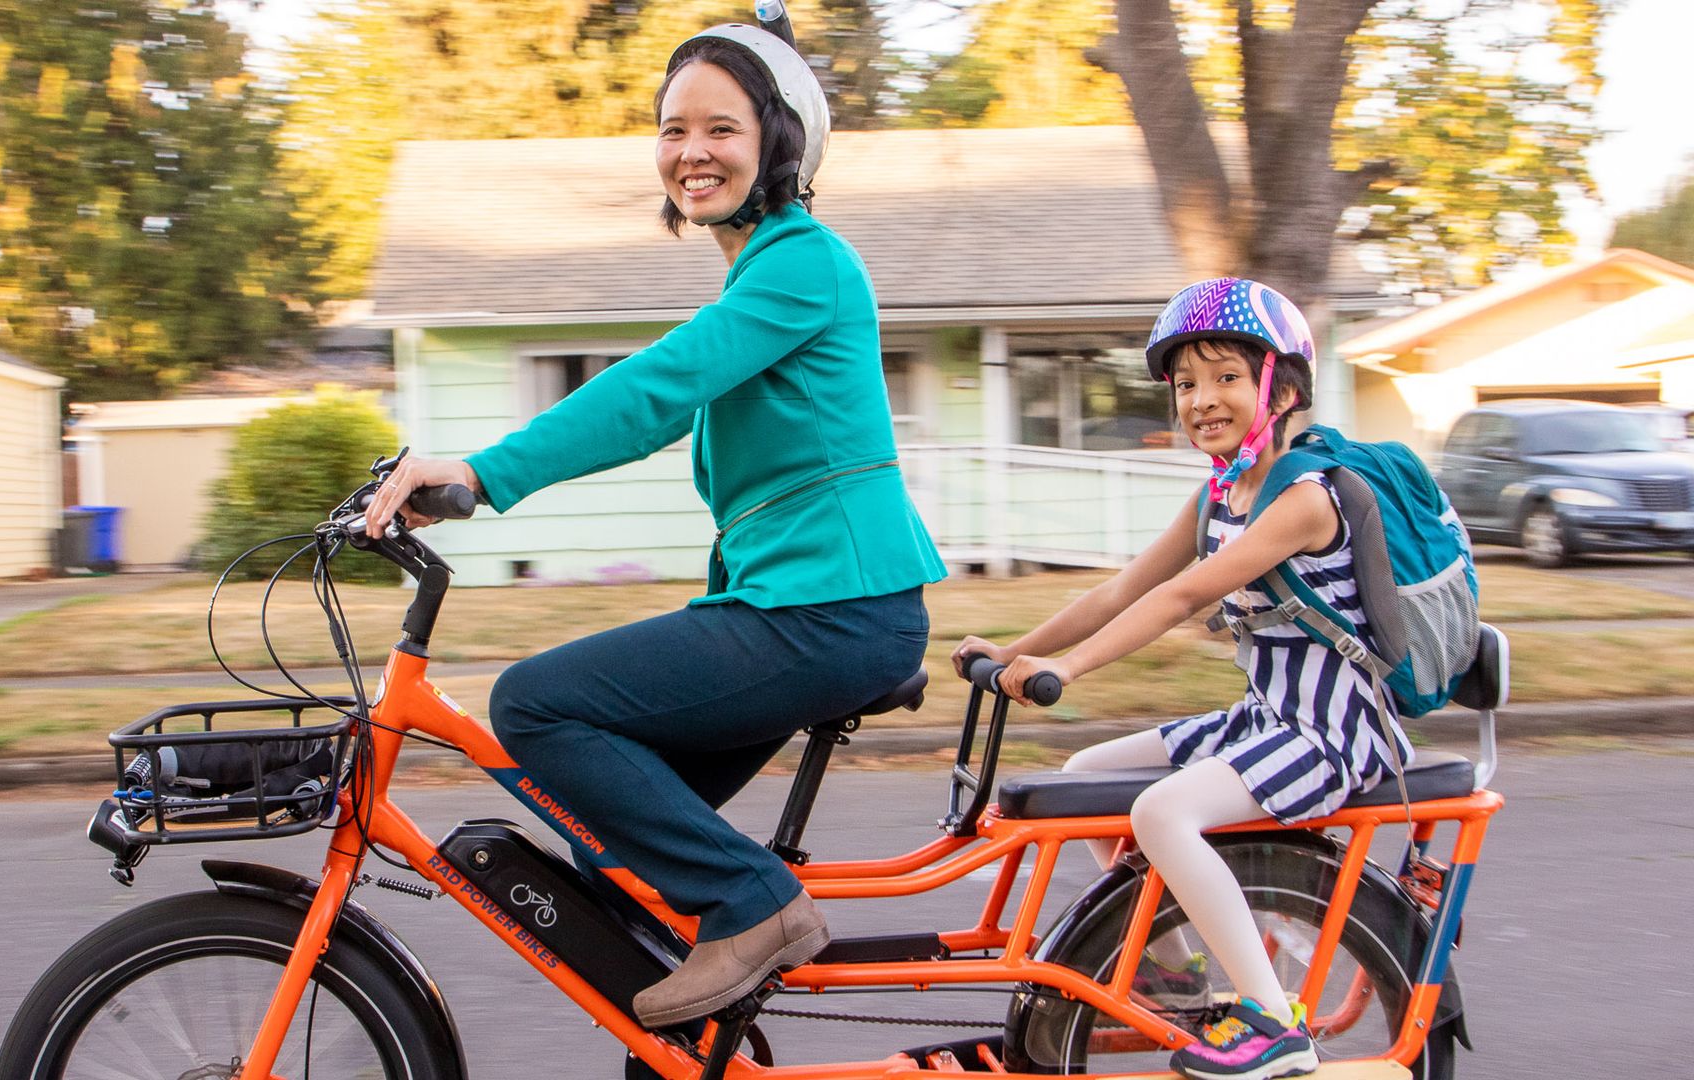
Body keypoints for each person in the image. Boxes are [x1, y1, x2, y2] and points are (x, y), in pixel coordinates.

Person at [364, 19, 945, 1030]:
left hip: (833, 614)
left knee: (537, 706)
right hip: (800, 608)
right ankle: (687, 1027)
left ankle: (759, 909)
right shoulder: (763, 273)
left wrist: (480, 474)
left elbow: (656, 391)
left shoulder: (804, 264)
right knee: (603, 842)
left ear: (779, 143)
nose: (691, 152)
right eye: (674, 129)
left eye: (721, 127)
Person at [955, 278, 1408, 1080]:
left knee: (1160, 811)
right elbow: (1119, 591)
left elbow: (1183, 596)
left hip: (1332, 733)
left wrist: (1068, 669)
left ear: (1283, 388)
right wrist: (1013, 653)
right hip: (1267, 716)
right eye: (1187, 383)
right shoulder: (1218, 496)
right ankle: (1176, 972)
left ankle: (1275, 1021)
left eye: (1228, 378)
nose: (1203, 399)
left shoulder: (1305, 497)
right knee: (1088, 776)